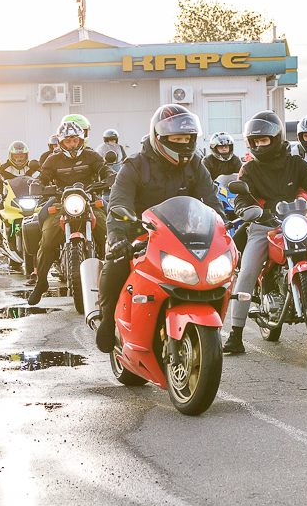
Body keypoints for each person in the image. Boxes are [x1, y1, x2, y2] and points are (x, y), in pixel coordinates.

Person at [96, 105, 225, 352]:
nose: (183, 144)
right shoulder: (135, 165)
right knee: (116, 265)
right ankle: (107, 318)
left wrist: (222, 227)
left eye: (187, 139)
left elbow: (211, 200)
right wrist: (117, 237)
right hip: (139, 235)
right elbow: (119, 202)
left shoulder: (194, 165)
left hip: (184, 237)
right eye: (176, 139)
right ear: (159, 138)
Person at [224, 110, 307, 354]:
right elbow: (241, 195)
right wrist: (249, 209)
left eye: (264, 140)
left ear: (277, 138)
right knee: (248, 271)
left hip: (295, 222)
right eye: (256, 141)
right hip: (264, 225)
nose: (260, 145)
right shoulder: (249, 169)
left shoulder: (295, 163)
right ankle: (236, 334)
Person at [28, 119, 113, 305]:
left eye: (75, 140)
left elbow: (104, 170)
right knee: (47, 238)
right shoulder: (53, 159)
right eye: (68, 141)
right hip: (61, 203)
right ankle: (41, 281)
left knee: (110, 232)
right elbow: (42, 177)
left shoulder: (92, 156)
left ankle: (116, 277)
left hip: (90, 201)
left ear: (81, 140)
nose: (72, 145)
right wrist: (37, 184)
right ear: (61, 142)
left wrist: (111, 176)